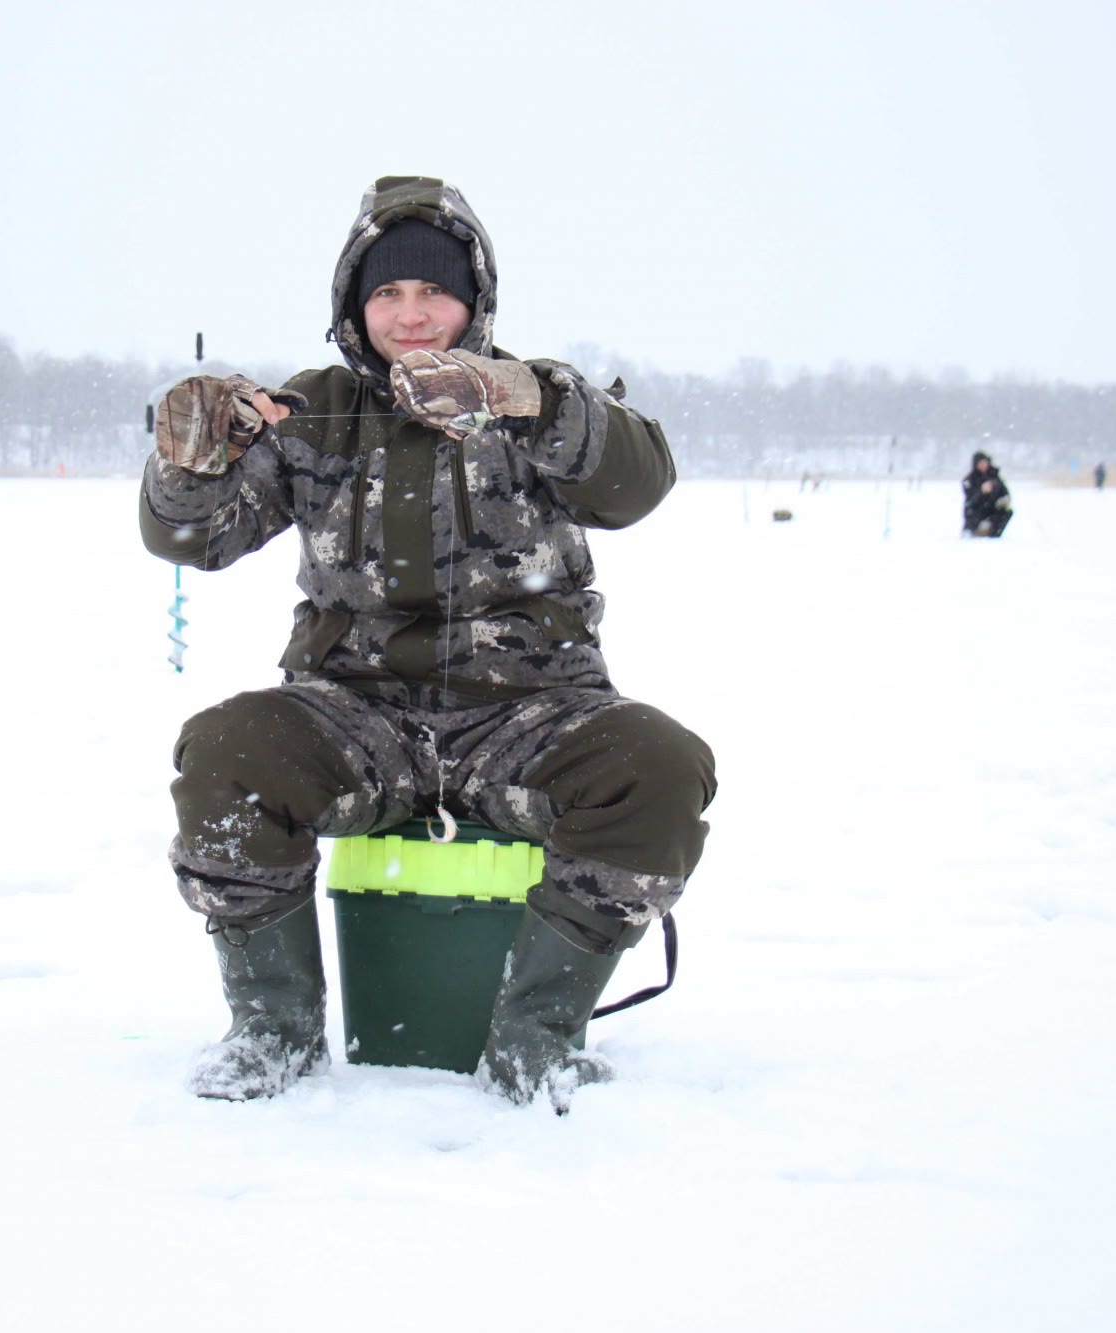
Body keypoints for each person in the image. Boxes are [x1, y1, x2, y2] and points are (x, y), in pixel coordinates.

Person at [140, 176, 717, 1112]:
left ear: (475, 299)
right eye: (386, 294)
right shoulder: (310, 409)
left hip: (533, 712)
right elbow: (190, 541)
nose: (411, 315)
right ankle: (272, 1029)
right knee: (227, 749)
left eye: (432, 292)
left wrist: (532, 399)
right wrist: (187, 462)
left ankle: (538, 1037)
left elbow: (638, 483)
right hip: (353, 711)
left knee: (658, 764)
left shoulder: (533, 400)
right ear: (353, 307)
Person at [962, 451, 1013, 537]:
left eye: (985, 462)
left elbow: (1005, 493)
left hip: (992, 511)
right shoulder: (970, 480)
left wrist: (1003, 500)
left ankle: (993, 534)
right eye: (980, 463)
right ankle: (975, 531)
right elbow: (970, 502)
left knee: (1007, 511)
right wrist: (981, 492)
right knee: (973, 512)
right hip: (976, 513)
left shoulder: (995, 477)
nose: (983, 465)